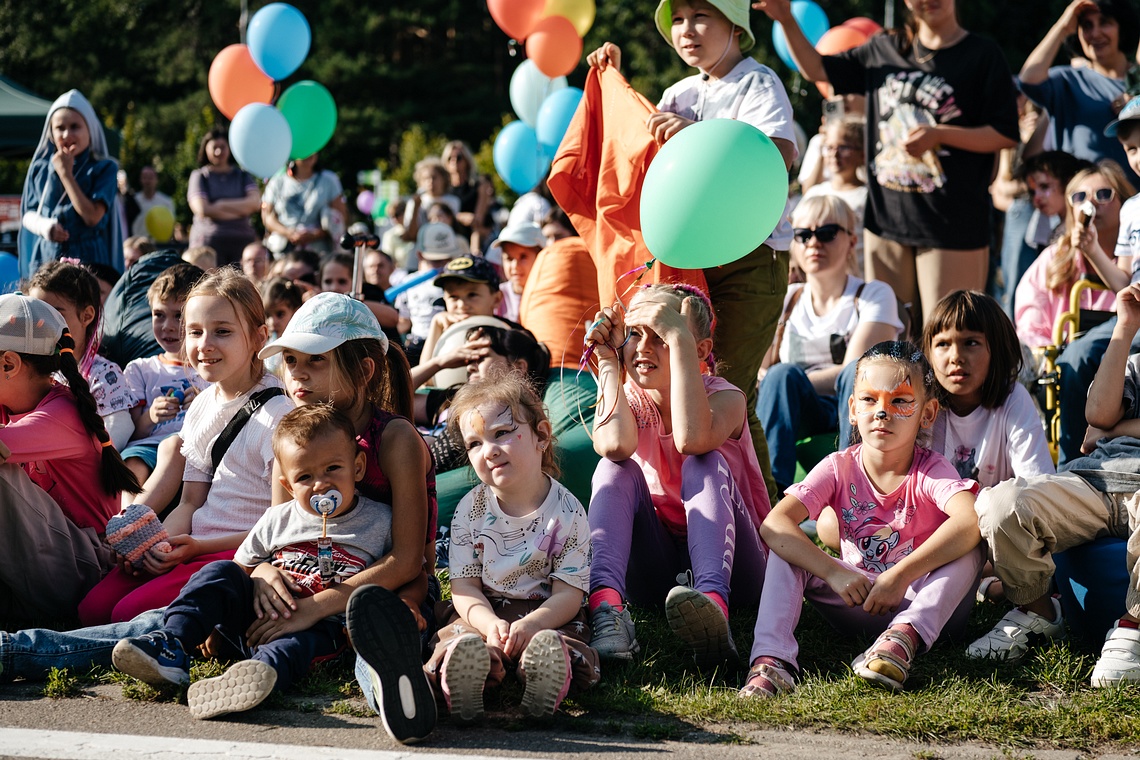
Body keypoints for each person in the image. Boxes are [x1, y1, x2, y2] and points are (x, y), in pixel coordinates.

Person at [588, 0, 799, 501]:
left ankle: (762, 522)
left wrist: (701, 138)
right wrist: (614, 80)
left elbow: (781, 154)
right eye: (676, 20)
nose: (687, 30)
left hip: (753, 257)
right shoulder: (677, 93)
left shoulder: (758, 82)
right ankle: (725, 516)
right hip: (693, 260)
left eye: (701, 16)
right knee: (701, 388)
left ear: (735, 25)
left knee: (728, 390)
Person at [111, 405, 394, 720]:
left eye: (332, 469)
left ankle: (255, 676)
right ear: (287, 485)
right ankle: (172, 642)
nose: (320, 485)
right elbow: (240, 567)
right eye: (305, 476)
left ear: (357, 467)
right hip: (257, 618)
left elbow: (396, 576)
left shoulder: (380, 521)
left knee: (294, 648)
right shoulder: (277, 518)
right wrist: (262, 573)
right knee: (219, 572)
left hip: (320, 626)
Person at [740, 341, 982, 697]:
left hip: (924, 605)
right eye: (870, 400)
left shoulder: (932, 470)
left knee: (971, 547)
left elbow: (969, 520)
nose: (882, 412)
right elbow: (774, 524)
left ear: (927, 414)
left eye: (900, 401)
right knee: (787, 548)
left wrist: (900, 576)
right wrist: (834, 571)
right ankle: (772, 662)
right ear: (852, 409)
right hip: (857, 597)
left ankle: (903, 640)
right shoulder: (838, 466)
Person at [756, 0, 1020, 326]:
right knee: (893, 339)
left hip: (953, 226)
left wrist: (940, 134)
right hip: (886, 223)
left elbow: (1004, 133)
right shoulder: (883, 48)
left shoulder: (982, 55)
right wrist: (785, 19)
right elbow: (818, 70)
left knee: (950, 333)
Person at [257, 292, 439, 743]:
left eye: (315, 361)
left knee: (373, 637)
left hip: (391, 589)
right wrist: (262, 573)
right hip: (308, 584)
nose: (297, 374)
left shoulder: (395, 438)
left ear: (363, 370)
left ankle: (395, 695)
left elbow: (407, 562)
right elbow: (278, 532)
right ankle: (63, 645)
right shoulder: (293, 441)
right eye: (291, 360)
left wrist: (312, 610)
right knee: (209, 590)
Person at [78, 268, 293, 625]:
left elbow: (279, 523)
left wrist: (195, 547)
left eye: (222, 332)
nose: (204, 344)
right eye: (194, 332)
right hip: (195, 544)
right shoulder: (202, 405)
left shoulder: (279, 415)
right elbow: (192, 501)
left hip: (238, 554)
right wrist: (158, 543)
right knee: (92, 610)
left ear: (259, 337)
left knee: (124, 614)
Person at [584, 283, 770, 664]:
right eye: (635, 334)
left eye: (662, 335)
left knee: (704, 461)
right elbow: (613, 445)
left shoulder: (727, 397)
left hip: (739, 572)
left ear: (698, 350)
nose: (645, 346)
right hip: (659, 571)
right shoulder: (631, 401)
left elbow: (692, 439)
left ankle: (713, 606)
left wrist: (680, 339)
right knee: (613, 468)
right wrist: (608, 362)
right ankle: (606, 609)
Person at [967, 282, 1140, 686]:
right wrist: (1124, 327)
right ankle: (1039, 612)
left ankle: (1133, 626)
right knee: (1001, 504)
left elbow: (1104, 428)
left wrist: (1118, 427)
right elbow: (1096, 419)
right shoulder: (1135, 361)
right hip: (1095, 480)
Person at [424, 371, 599, 722]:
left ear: (542, 436)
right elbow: (464, 587)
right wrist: (488, 624)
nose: (488, 451)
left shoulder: (568, 512)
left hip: (547, 613)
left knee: (560, 642)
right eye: (474, 444)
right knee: (460, 634)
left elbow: (569, 594)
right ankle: (468, 671)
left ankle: (543, 673)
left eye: (502, 434)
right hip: (485, 610)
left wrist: (533, 624)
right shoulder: (470, 509)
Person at [0, 292, 140, 627]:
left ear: (8, 364)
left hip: (84, 572)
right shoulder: (9, 404)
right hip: (42, 564)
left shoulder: (63, 413)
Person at [757, 195, 903, 495]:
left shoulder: (873, 295)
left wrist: (789, 381)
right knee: (781, 376)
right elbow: (763, 368)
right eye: (803, 235)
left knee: (853, 372)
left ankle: (854, 488)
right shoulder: (787, 298)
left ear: (851, 241)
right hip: (798, 412)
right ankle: (772, 496)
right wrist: (778, 380)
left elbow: (859, 373)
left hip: (855, 408)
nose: (814, 242)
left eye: (826, 233)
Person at [1014, 161, 1134, 352]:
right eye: (1079, 197)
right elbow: (1030, 328)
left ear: (1126, 204)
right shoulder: (1052, 260)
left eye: (1103, 194)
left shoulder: (1135, 259)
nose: (1091, 202)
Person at [1019, 0, 1140, 186]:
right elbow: (1028, 80)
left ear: (1122, 27)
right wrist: (1063, 26)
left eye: (1105, 22)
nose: (1095, 33)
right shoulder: (1067, 80)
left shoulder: (1137, 77)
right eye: (1086, 26)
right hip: (1085, 202)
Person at [28, 261, 136, 450]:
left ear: (86, 316)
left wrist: (95, 460)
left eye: (54, 314)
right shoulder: (28, 367)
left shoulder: (103, 373)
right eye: (35, 314)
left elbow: (120, 425)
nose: (41, 324)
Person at [18, 90, 123, 280]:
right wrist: (45, 227)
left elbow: (92, 217)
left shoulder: (104, 169)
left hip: (89, 262)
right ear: (51, 132)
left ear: (90, 130)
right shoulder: (39, 169)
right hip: (46, 260)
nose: (67, 134)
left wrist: (66, 174)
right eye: (60, 127)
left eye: (75, 126)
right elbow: (28, 215)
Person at [119, 264, 205, 486]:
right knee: (133, 461)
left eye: (179, 316)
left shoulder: (211, 368)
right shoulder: (140, 369)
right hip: (148, 449)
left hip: (198, 453)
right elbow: (131, 434)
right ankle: (127, 516)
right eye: (159, 314)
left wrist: (204, 404)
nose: (167, 326)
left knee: (174, 449)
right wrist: (151, 417)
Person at [800, 117, 868, 275]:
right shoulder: (816, 193)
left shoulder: (867, 196)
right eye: (829, 147)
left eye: (844, 147)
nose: (834, 154)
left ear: (862, 154)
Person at [187, 127, 260, 268]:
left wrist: (220, 205)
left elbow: (254, 203)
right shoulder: (200, 176)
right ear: (205, 149)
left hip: (241, 242)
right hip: (209, 243)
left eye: (223, 147)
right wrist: (240, 210)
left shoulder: (242, 175)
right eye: (214, 147)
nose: (218, 151)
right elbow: (202, 209)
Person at [395, 223, 464, 366]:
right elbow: (404, 321)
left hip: (448, 341)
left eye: (446, 259)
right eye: (435, 260)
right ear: (420, 255)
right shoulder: (409, 282)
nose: (441, 265)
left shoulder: (456, 282)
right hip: (418, 342)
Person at [261, 154, 347, 256]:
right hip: (284, 250)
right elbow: (267, 217)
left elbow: (340, 217)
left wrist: (314, 234)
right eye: (305, 151)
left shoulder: (329, 180)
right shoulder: (277, 182)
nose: (309, 154)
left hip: (320, 251)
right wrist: (289, 233)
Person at [441, 140, 496, 248]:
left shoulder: (479, 185)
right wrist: (460, 217)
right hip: (451, 240)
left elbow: (477, 221)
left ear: (467, 160)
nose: (454, 161)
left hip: (478, 239)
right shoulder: (444, 190)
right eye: (450, 158)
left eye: (459, 157)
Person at [491, 222, 545, 324]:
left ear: (540, 256)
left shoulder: (550, 294)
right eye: (509, 258)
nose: (515, 266)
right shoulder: (496, 296)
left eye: (523, 257)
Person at [131, 166, 175, 240]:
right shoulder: (133, 201)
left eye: (151, 177)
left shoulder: (167, 202)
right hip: (138, 244)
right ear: (140, 180)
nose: (148, 181)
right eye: (145, 177)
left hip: (159, 245)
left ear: (156, 180)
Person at [260, 277, 303, 341]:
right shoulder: (266, 348)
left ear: (296, 312)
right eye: (267, 315)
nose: (273, 322)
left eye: (280, 314)